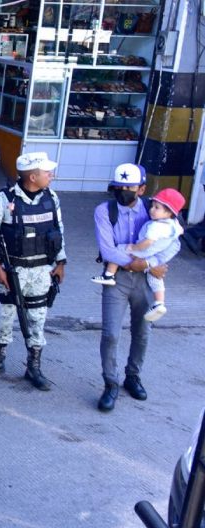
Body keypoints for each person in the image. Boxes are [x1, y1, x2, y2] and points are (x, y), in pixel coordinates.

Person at [0, 152, 66, 391]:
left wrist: (61, 263)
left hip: (41, 271)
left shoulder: (51, 198)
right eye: (47, 172)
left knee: (37, 319)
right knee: (3, 316)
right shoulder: (2, 200)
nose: (51, 175)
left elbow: (59, 230)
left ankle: (33, 366)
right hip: (11, 271)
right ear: (32, 176)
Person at [91, 163, 175, 412]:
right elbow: (107, 250)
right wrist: (146, 264)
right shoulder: (104, 211)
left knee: (142, 332)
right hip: (117, 280)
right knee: (110, 334)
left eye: (129, 187)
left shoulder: (154, 211)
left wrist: (151, 265)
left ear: (142, 188)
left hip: (145, 283)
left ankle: (132, 376)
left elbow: (169, 242)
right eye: (119, 186)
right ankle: (110, 383)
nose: (124, 191)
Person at [93, 188, 184, 322]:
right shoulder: (173, 225)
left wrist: (135, 249)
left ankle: (109, 275)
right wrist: (152, 264)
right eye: (152, 206)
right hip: (151, 259)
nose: (152, 209)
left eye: (157, 208)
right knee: (156, 279)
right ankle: (159, 302)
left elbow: (146, 242)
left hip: (142, 252)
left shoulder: (156, 226)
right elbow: (177, 239)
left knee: (120, 248)